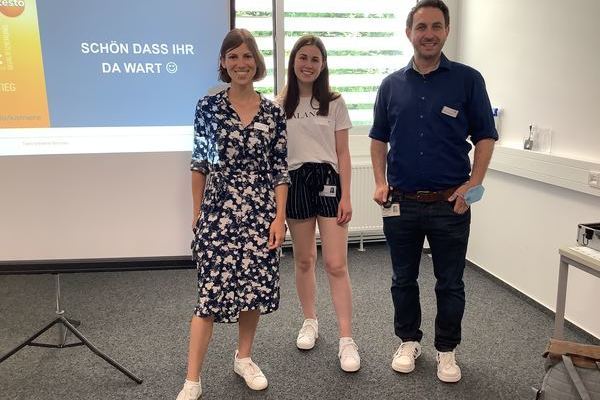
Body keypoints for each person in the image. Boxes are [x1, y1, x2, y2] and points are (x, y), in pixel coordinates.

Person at [369, 0, 497, 383]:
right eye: (421, 26)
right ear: (409, 32)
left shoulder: (467, 80)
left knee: (450, 281)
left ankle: (447, 349)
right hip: (402, 204)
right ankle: (408, 340)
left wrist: (472, 185)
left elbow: (486, 137)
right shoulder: (391, 85)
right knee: (402, 279)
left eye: (436, 26)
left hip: (449, 205)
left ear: (447, 31)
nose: (428, 34)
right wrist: (379, 181)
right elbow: (378, 139)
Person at [176, 28, 289, 400]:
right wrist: (197, 212)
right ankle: (192, 378)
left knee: (253, 292)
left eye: (247, 56)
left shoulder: (273, 113)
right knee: (208, 295)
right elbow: (199, 163)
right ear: (224, 64)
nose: (241, 63)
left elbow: (279, 171)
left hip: (260, 213)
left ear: (256, 62)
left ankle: (244, 357)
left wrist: (279, 218)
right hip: (218, 211)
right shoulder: (207, 107)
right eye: (233, 57)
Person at [278, 35, 360, 372]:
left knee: (337, 264)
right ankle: (310, 321)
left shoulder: (335, 102)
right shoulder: (279, 103)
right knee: (304, 260)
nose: (308, 64)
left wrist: (347, 194)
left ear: (323, 65)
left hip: (327, 181)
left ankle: (346, 339)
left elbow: (342, 153)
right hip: (295, 181)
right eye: (303, 57)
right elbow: (277, 158)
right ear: (293, 62)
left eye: (315, 59)